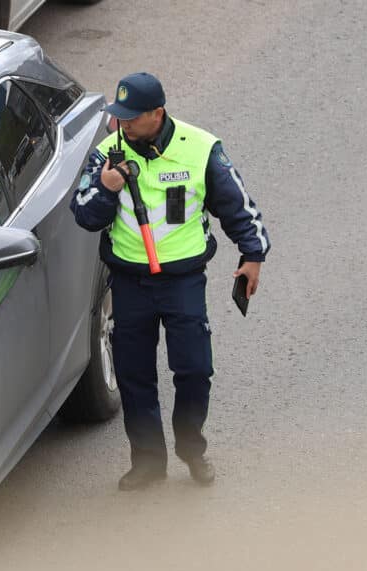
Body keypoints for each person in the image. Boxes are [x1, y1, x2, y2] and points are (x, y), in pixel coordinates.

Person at [70, 72, 271, 490]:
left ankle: (191, 449)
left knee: (195, 370)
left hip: (183, 282)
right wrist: (107, 188)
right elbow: (85, 213)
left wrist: (253, 255)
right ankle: (147, 461)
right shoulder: (108, 154)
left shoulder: (201, 149)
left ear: (157, 113)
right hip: (129, 282)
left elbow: (238, 206)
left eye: (131, 117)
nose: (122, 125)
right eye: (119, 117)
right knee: (134, 375)